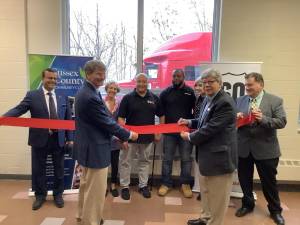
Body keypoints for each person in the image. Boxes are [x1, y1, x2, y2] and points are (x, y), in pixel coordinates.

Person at [73, 60, 138, 225]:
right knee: (95, 190)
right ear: (88, 74)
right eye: (98, 74)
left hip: (88, 147)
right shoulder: (90, 96)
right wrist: (128, 134)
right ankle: (91, 221)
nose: (102, 78)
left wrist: (118, 135)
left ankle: (82, 215)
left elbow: (100, 122)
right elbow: (106, 122)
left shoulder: (88, 91)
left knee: (86, 186)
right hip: (95, 149)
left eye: (104, 74)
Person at [3, 68, 73, 210]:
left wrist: (70, 138)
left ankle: (57, 195)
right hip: (39, 139)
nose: (52, 81)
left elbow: (68, 119)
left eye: (55, 78)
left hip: (58, 140)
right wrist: (3, 118)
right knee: (39, 169)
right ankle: (40, 196)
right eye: (49, 78)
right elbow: (19, 109)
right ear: (43, 79)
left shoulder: (63, 96)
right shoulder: (32, 95)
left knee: (59, 169)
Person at [180, 68, 237, 225]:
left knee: (218, 198)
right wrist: (189, 122)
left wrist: (190, 136)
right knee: (206, 192)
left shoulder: (225, 102)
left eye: (211, 82)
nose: (207, 86)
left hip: (220, 159)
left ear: (220, 83)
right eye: (204, 83)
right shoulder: (208, 98)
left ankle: (214, 222)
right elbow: (204, 120)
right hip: (206, 156)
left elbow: (211, 128)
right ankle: (205, 219)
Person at [235, 72, 287, 225]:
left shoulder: (275, 100)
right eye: (245, 85)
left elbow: (282, 122)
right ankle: (247, 204)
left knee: (269, 182)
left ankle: (275, 210)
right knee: (245, 180)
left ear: (261, 84)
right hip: (243, 148)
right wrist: (236, 118)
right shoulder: (239, 100)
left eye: (250, 85)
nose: (247, 88)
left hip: (266, 150)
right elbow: (232, 123)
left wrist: (263, 119)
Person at [118, 73, 164, 200]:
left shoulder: (154, 98)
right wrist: (124, 136)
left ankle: (143, 185)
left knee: (144, 162)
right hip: (130, 138)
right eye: (139, 81)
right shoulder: (127, 98)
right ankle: (125, 187)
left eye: (144, 81)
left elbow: (161, 115)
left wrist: (158, 131)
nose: (142, 84)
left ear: (147, 83)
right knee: (126, 162)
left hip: (148, 138)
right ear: (135, 82)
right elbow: (121, 118)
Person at [158, 69, 195, 198]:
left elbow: (195, 112)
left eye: (179, 76)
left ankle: (185, 184)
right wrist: (160, 129)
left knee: (186, 159)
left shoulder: (190, 92)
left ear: (183, 77)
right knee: (167, 159)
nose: (176, 78)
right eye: (174, 76)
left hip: (185, 132)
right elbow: (160, 112)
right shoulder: (165, 93)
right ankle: (166, 183)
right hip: (169, 132)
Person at [104, 81, 122, 197]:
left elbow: (121, 121)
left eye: (115, 89)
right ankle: (104, 186)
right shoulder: (100, 102)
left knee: (115, 163)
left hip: (115, 138)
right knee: (103, 164)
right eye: (111, 88)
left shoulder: (119, 103)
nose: (113, 90)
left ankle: (114, 184)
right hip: (103, 137)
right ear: (107, 89)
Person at [193, 77, 206, 201]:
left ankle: (206, 191)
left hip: (206, 137)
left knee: (205, 164)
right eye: (196, 85)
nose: (197, 88)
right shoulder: (199, 99)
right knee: (199, 162)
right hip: (198, 135)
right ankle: (203, 190)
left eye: (200, 85)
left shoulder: (210, 100)